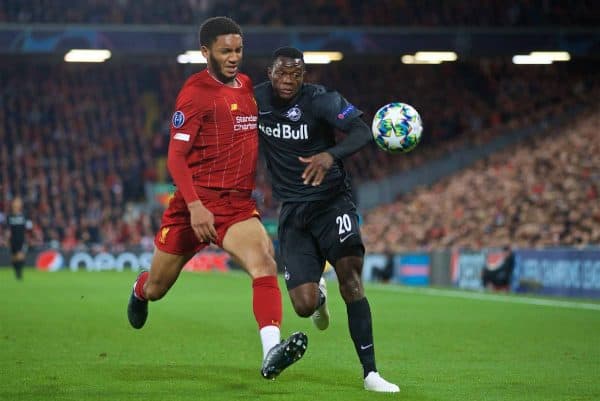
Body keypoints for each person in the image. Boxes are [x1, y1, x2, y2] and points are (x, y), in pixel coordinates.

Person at [126, 18, 307, 380]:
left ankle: (271, 350)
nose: (234, 57)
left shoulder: (245, 87)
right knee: (159, 288)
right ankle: (140, 290)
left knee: (264, 263)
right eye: (226, 51)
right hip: (192, 205)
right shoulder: (194, 94)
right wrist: (195, 207)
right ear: (205, 51)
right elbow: (176, 158)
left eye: (238, 50)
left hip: (236, 206)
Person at [254, 47, 399, 392]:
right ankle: (319, 296)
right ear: (269, 73)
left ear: (304, 76)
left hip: (332, 203)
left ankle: (370, 374)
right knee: (303, 307)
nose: (288, 81)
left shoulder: (322, 100)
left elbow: (363, 132)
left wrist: (330, 155)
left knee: (350, 278)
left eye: (296, 74)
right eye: (282, 73)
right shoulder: (254, 99)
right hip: (292, 211)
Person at [7, 196, 32, 280]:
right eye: (16, 202)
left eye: (19, 202)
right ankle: (16, 272)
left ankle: (19, 274)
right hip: (12, 239)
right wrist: (7, 239)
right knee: (14, 257)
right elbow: (7, 229)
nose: (18, 204)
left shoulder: (24, 215)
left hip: (21, 239)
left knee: (20, 255)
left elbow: (28, 228)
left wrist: (29, 238)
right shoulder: (10, 216)